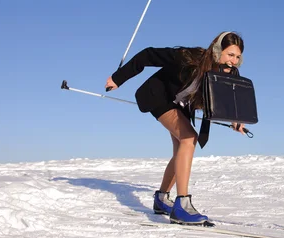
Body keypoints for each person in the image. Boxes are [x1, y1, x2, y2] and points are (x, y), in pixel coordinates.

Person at [105, 32, 246, 225]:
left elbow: (224, 101)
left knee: (182, 148)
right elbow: (148, 55)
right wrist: (118, 78)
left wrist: (235, 120)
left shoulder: (225, 75)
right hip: (158, 96)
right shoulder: (191, 57)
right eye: (230, 55)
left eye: (238, 57)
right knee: (189, 138)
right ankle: (182, 206)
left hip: (180, 106)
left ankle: (162, 199)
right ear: (217, 50)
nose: (234, 61)